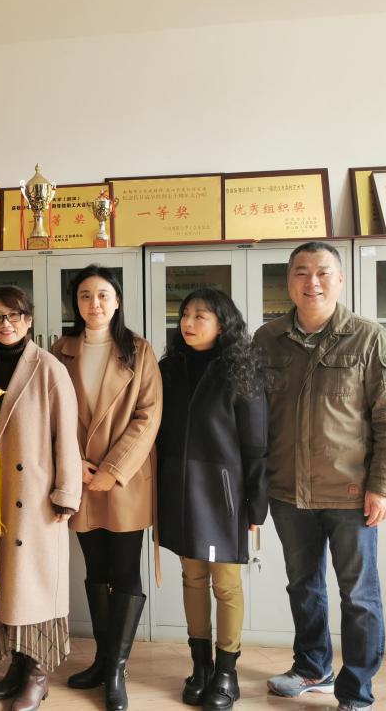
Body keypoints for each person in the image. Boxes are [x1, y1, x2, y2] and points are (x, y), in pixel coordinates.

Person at [255, 241, 386, 711]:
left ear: (340, 280)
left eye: (323, 272)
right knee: (303, 587)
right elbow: (252, 418)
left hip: (351, 493)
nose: (312, 282)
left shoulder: (369, 338)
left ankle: (356, 691)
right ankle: (312, 668)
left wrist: (383, 486)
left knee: (358, 596)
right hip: (288, 491)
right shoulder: (267, 339)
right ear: (289, 281)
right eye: (301, 272)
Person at [49, 265, 161, 711]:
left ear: (117, 301)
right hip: (79, 477)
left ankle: (116, 669)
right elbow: (49, 412)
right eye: (84, 296)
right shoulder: (61, 350)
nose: (93, 304)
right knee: (95, 571)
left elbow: (148, 415)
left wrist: (112, 470)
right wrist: (72, 463)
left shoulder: (139, 350)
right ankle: (101, 659)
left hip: (125, 479)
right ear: (75, 304)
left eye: (102, 295)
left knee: (125, 571)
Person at [0, 285, 81, 711]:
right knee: (5, 586)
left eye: (14, 316)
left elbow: (66, 435)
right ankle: (16, 665)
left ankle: (37, 674)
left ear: (28, 321)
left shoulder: (49, 367)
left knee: (34, 585)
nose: (5, 324)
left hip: (34, 497)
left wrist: (66, 493)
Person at [156, 288, 268, 711]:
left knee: (226, 583)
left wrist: (256, 503)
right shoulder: (169, 368)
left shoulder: (241, 369)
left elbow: (256, 444)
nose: (188, 322)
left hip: (224, 494)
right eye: (185, 314)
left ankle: (226, 672)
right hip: (179, 489)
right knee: (192, 577)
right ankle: (200, 666)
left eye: (200, 315)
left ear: (223, 324)